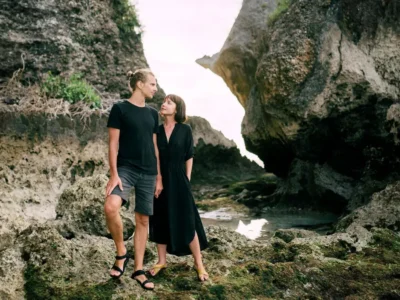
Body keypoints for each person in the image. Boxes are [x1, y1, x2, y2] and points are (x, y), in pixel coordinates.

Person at [104, 68, 163, 290]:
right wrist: (114, 174)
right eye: (153, 84)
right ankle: (121, 252)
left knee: (143, 221)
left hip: (149, 172)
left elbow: (155, 146)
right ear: (139, 84)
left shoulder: (152, 113)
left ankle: (138, 270)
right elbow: (112, 143)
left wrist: (159, 177)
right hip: (126, 169)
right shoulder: (120, 109)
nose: (155, 89)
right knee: (111, 206)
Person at [149, 94, 209, 281]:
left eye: (169, 102)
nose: (164, 104)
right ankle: (161, 260)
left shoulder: (185, 130)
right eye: (164, 101)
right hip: (161, 178)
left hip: (179, 178)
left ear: (177, 108)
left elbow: (189, 155)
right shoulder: (156, 130)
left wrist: (187, 179)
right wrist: (158, 180)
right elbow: (156, 157)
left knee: (187, 219)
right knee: (159, 218)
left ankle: (198, 263)